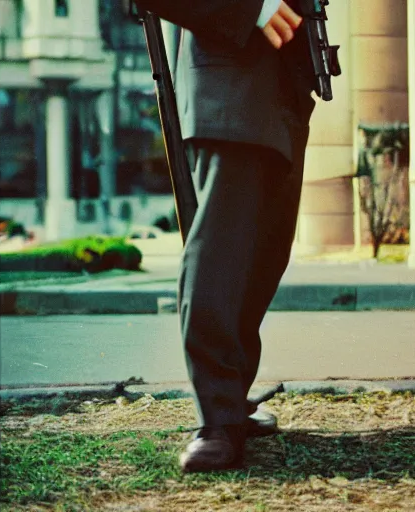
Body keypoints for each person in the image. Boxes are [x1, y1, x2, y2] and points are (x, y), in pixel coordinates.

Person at [134, 0, 316, 473]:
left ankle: (232, 400)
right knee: (222, 254)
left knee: (263, 255)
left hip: (283, 86)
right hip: (228, 81)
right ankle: (216, 422)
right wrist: (252, 7)